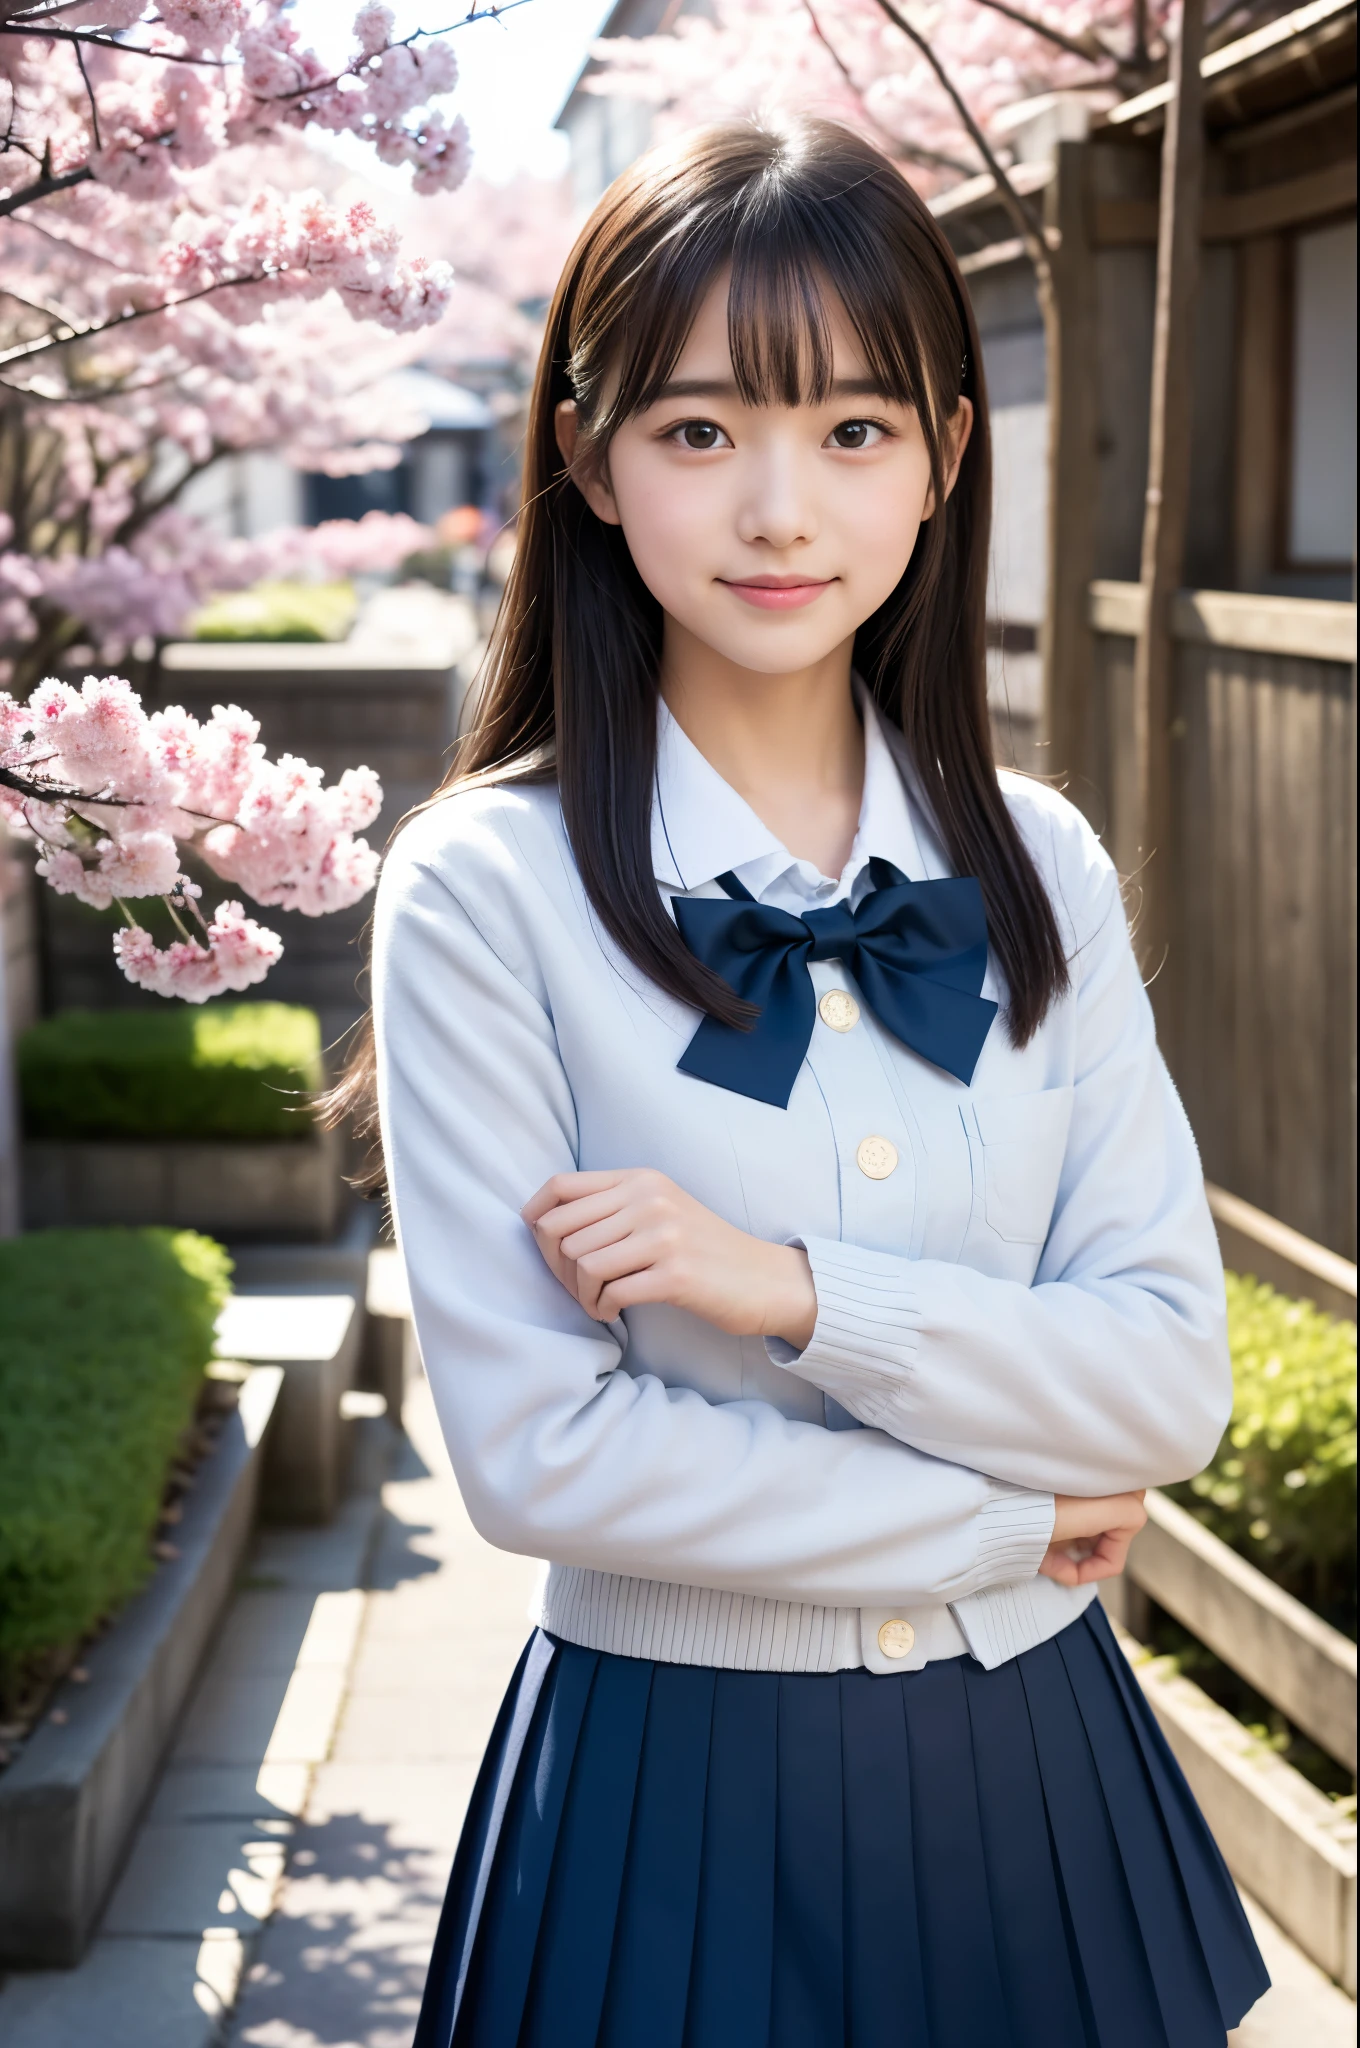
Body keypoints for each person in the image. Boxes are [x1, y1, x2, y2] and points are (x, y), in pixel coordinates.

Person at [355, 116, 1269, 2047]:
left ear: (945, 458)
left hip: (1044, 1783)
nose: (781, 510)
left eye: (853, 432)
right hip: (668, 1792)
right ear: (588, 462)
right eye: (700, 434)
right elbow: (542, 1458)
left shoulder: (1041, 865)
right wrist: (1011, 1520)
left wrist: (794, 1291)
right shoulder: (485, 888)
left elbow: (1168, 1371)